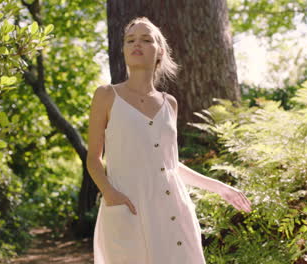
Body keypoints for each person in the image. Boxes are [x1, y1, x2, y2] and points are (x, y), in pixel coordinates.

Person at [86, 16, 252, 264]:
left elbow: (170, 165)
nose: (136, 44)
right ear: (123, 49)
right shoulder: (106, 95)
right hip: (129, 207)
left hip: (173, 209)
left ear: (160, 51)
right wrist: (110, 193)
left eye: (145, 39)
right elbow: (93, 159)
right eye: (130, 40)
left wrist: (220, 188)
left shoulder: (169, 103)